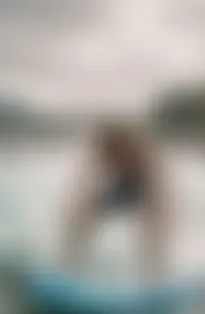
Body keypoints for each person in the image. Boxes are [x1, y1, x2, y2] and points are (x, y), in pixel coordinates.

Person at [61, 120, 170, 285]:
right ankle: (71, 265)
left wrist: (158, 211)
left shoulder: (138, 152)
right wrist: (83, 202)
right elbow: (87, 178)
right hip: (120, 187)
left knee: (152, 226)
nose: (99, 153)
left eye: (101, 148)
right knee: (81, 216)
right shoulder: (103, 152)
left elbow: (156, 183)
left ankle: (155, 274)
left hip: (143, 187)